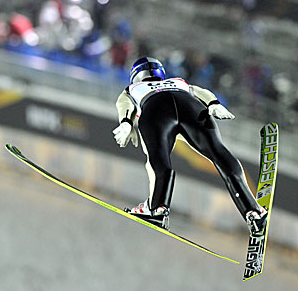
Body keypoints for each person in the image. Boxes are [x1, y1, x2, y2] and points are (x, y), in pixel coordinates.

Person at [113, 57, 267, 236]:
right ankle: (254, 211)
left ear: (135, 76)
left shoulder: (132, 88)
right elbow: (200, 91)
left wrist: (125, 123)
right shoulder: (177, 81)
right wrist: (214, 103)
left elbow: (123, 103)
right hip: (190, 106)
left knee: (157, 159)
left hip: (155, 108)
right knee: (218, 152)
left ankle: (158, 208)